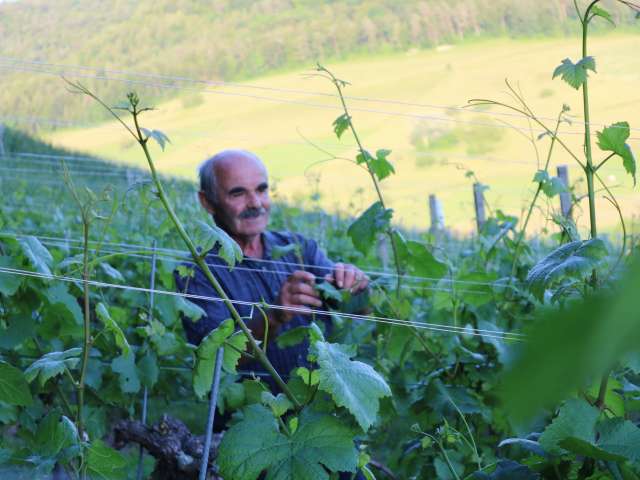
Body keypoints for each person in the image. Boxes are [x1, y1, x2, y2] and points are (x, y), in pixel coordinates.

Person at [174, 149, 369, 382]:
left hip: (320, 399)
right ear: (207, 202)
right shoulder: (197, 272)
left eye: (261, 189)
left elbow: (359, 309)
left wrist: (355, 286)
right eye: (238, 193)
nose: (255, 203)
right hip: (252, 403)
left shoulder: (299, 247)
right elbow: (216, 359)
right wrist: (273, 317)